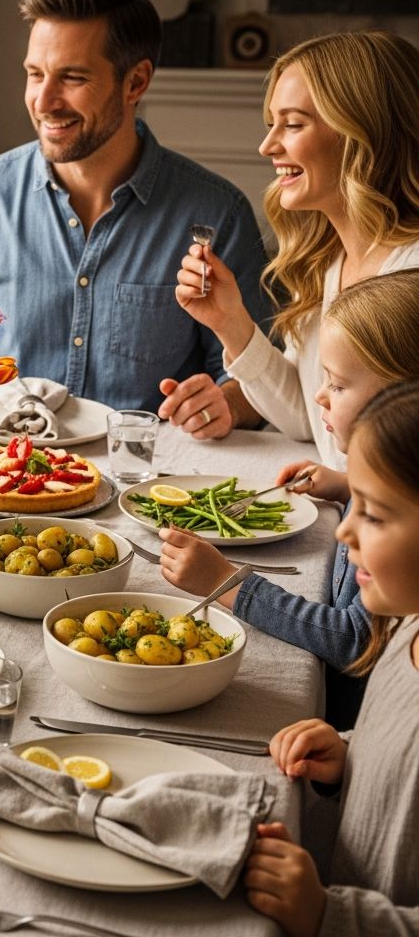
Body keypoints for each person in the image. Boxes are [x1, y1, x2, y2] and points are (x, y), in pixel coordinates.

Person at [0, 0, 269, 439]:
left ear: (135, 81)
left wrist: (227, 403)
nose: (43, 101)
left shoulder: (218, 215)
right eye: (35, 74)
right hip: (6, 478)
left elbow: (255, 379)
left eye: (72, 78)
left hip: (143, 490)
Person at [158, 269, 419, 731]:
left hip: (351, 718)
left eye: (337, 385)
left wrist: (227, 583)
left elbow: (355, 638)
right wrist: (345, 485)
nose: (319, 395)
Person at [176, 30, 419, 469]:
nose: (267, 146)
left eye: (292, 124)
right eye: (271, 124)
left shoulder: (412, 275)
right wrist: (232, 323)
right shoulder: (330, 263)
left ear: (361, 129)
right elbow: (308, 419)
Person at [238, 379, 419, 937]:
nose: (343, 530)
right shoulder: (407, 627)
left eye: (374, 515)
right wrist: (351, 757)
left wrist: (328, 914)